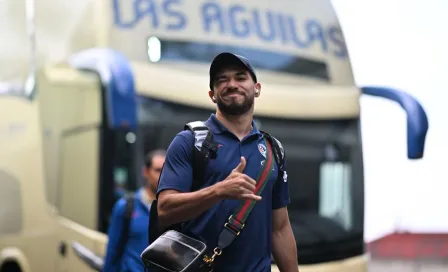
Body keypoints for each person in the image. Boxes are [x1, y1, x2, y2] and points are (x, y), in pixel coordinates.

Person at [156, 53, 299, 271]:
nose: (232, 84)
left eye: (240, 77)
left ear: (257, 88)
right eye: (222, 80)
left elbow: (279, 229)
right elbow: (165, 210)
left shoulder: (273, 151)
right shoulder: (190, 141)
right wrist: (219, 190)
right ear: (212, 94)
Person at [103, 149, 166, 272]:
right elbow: (113, 252)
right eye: (158, 170)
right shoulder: (126, 207)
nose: (163, 175)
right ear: (146, 172)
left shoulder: (174, 209)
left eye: (167, 170)